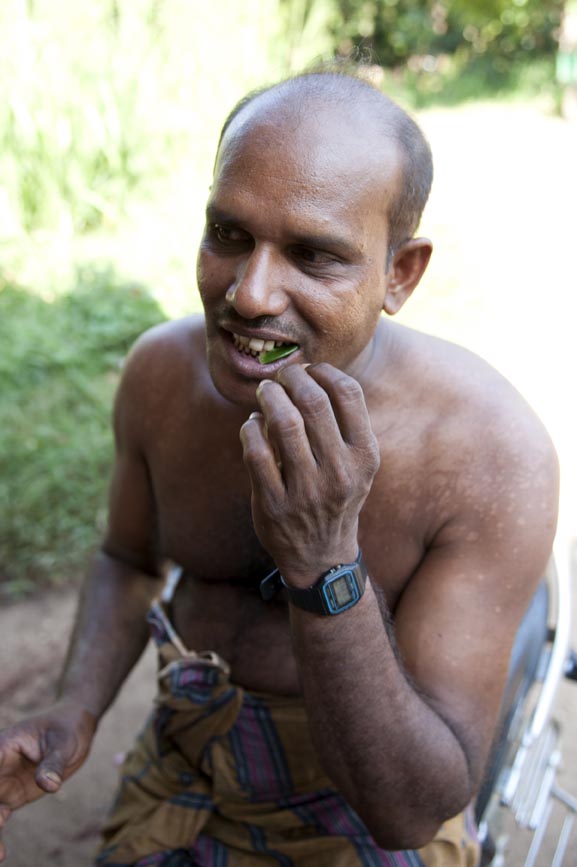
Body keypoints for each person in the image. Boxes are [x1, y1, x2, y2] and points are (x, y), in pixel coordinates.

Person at [0, 70, 559, 867]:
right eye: (228, 234)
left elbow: (406, 809)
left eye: (313, 255)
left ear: (399, 274)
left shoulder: (488, 455)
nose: (250, 293)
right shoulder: (161, 377)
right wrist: (76, 708)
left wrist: (326, 560)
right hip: (186, 775)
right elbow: (128, 560)